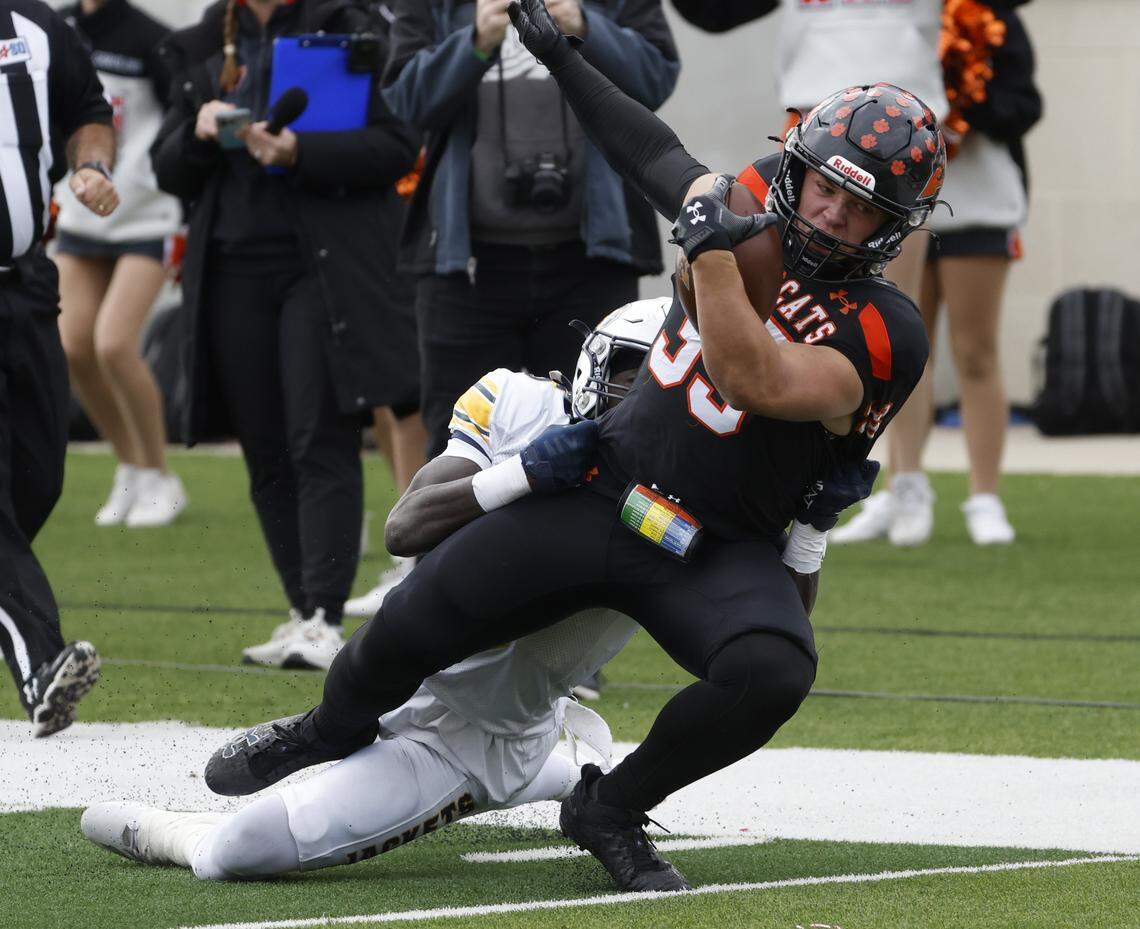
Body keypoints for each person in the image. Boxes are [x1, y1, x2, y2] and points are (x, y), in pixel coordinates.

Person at [200, 0, 941, 895]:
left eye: (862, 209)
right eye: (823, 185)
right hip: (605, 484)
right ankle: (330, 722)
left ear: (895, 225)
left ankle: (610, 805)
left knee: (775, 666)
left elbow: (757, 379)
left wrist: (708, 245)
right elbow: (652, 152)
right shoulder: (752, 203)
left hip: (713, 542)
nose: (830, 215)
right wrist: (563, 59)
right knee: (422, 605)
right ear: (798, 168)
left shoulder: (888, 326)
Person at [79, 298, 862, 878]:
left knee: (234, 853)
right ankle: (423, 739)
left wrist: (808, 526)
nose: (648, 410)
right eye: (633, 384)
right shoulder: (521, 405)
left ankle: (174, 832)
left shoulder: (715, 483)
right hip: (417, 675)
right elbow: (407, 525)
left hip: (467, 738)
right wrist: (525, 473)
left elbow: (771, 631)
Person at [151, 0, 420, 670]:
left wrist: (300, 150)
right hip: (233, 268)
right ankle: (302, 609)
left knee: (318, 434)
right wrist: (199, 130)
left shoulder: (353, 25)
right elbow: (167, 169)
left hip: (321, 269)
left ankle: (326, 617)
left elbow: (395, 147)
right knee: (265, 445)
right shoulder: (203, 40)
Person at [381, 0, 679, 461]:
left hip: (591, 263)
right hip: (466, 270)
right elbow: (404, 99)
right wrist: (475, 43)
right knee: (454, 449)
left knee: (604, 438)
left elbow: (656, 80)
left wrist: (586, 26)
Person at [832, 0, 1041, 547]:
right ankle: (904, 486)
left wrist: (960, 110)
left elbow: (1025, 106)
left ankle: (985, 496)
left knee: (976, 350)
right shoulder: (890, 20)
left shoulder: (991, 18)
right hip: (906, 206)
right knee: (904, 347)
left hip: (980, 203)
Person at [0, 0, 121, 736]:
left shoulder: (36, 28)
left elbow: (89, 108)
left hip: (25, 281)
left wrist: (91, 164)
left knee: (40, 477)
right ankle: (42, 664)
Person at [54, 0, 187, 529]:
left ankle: (161, 473)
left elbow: (181, 114)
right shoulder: (59, 26)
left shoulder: (150, 36)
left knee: (114, 343)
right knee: (73, 345)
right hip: (81, 213)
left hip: (146, 215)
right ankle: (131, 468)